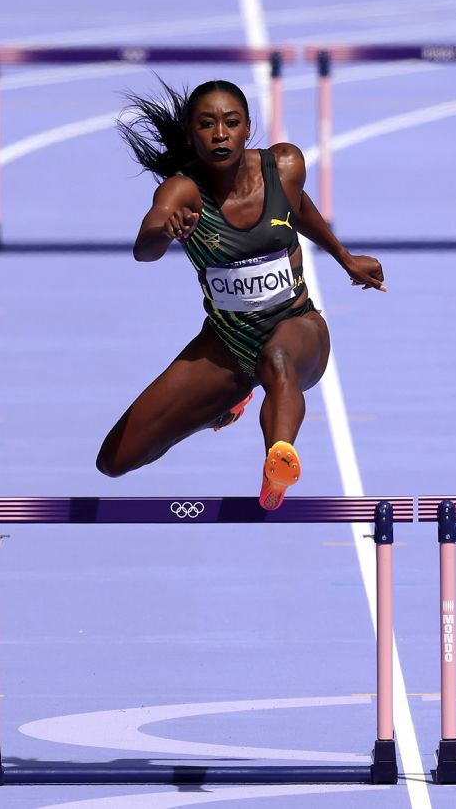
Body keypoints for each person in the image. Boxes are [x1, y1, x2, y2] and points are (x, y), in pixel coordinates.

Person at [96, 79, 385, 508]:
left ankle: (278, 462)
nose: (219, 134)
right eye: (207, 125)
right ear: (192, 133)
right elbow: (144, 249)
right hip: (227, 344)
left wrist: (344, 257)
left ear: (248, 127)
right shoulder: (182, 192)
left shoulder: (284, 165)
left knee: (278, 360)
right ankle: (222, 408)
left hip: (298, 327)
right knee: (115, 459)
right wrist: (166, 231)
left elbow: (297, 205)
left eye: (231, 123)